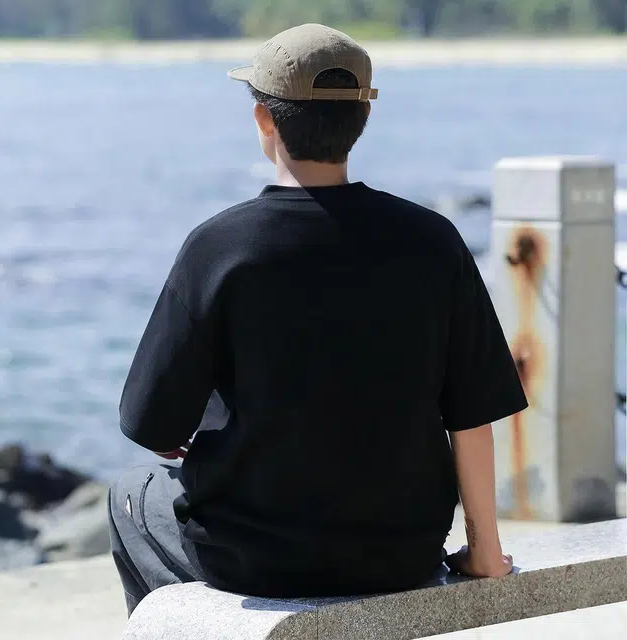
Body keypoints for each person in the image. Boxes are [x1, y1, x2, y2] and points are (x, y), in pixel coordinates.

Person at [108, 23, 527, 617]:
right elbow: (472, 417)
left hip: (256, 559)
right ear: (363, 118)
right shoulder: (435, 242)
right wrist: (484, 549)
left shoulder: (219, 247)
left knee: (131, 492)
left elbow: (152, 425)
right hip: (402, 553)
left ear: (264, 120)